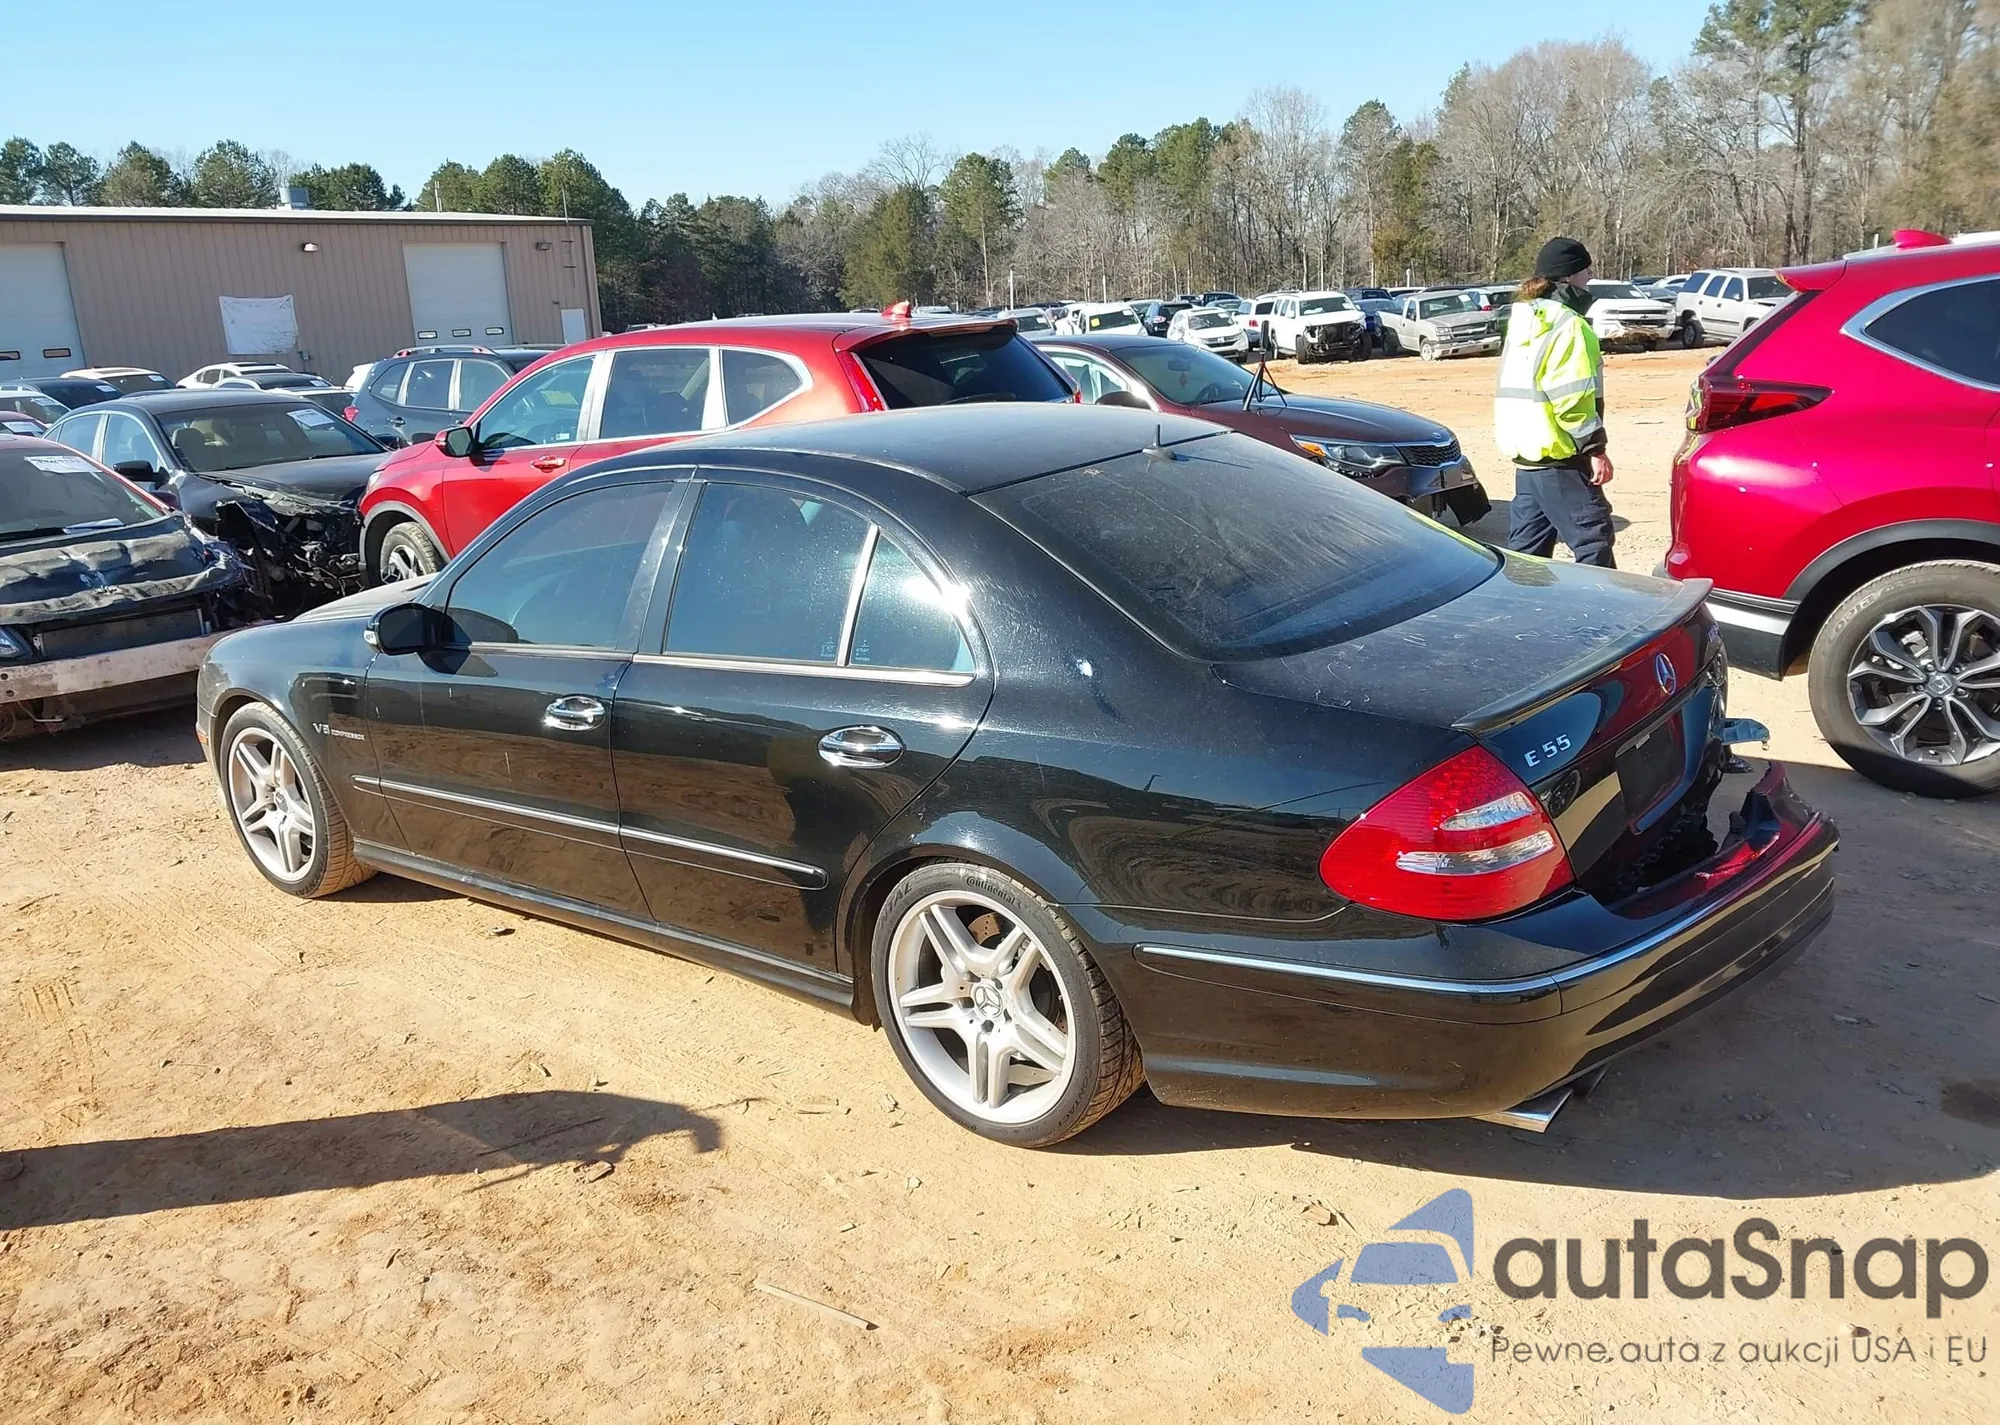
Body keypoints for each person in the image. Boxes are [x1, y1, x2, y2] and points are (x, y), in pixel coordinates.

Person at [1494, 236, 1616, 568]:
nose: (1590, 276)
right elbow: (1571, 399)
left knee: (1526, 556)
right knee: (1593, 538)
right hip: (1559, 455)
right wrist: (1595, 450)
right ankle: (1601, 602)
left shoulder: (1525, 321)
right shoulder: (1569, 325)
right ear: (1568, 277)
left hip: (1527, 455)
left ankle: (1521, 601)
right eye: (1586, 270)